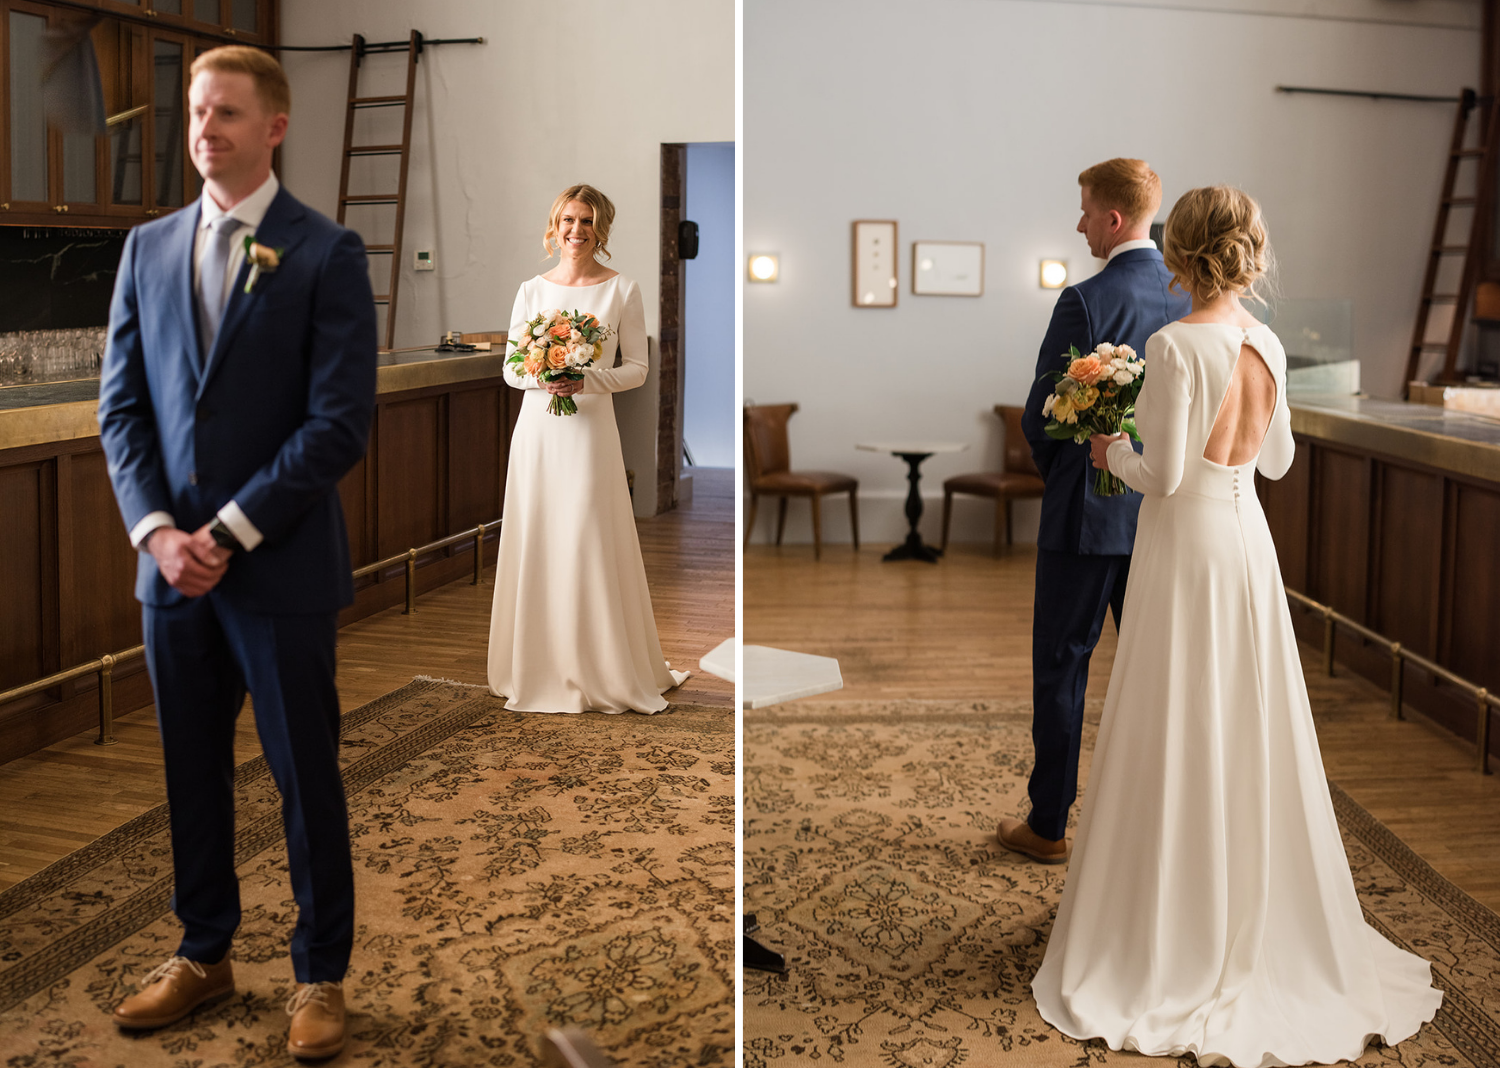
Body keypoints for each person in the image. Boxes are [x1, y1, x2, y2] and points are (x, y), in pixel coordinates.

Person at [1030, 186, 1442, 1063]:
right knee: (1246, 722)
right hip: (1248, 542)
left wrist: (1109, 450)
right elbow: (1281, 461)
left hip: (1188, 549)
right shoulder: (1267, 340)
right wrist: (1238, 443)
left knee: (1179, 716)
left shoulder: (1176, 344)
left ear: (1179, 249)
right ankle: (1249, 910)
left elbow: (1166, 475)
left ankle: (1171, 922)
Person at [97, 46, 375, 1060]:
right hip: (171, 576)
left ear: (275, 128)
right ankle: (203, 952)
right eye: (195, 113)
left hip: (281, 564)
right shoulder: (147, 248)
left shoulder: (326, 251)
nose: (204, 129)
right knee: (189, 770)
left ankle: (320, 973)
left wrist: (230, 530)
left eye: (226, 114)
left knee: (306, 773)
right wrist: (159, 533)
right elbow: (121, 409)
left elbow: (339, 422)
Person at [999, 159, 1191, 862]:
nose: (1079, 222)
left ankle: (1049, 825)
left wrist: (1068, 477)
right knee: (1156, 672)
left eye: (1084, 210)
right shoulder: (1190, 298)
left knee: (1062, 667)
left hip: (1086, 516)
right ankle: (1152, 831)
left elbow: (1041, 415)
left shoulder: (1083, 299)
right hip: (1166, 516)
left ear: (1114, 218)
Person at [486, 184, 689, 713]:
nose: (576, 231)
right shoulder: (531, 290)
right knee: (539, 536)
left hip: (590, 437)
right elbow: (510, 368)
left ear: (602, 230)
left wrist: (586, 379)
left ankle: (598, 665)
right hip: (537, 433)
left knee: (585, 539)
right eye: (568, 220)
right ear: (554, 226)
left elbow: (638, 369)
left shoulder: (622, 290)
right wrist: (541, 375)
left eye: (587, 222)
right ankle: (535, 666)